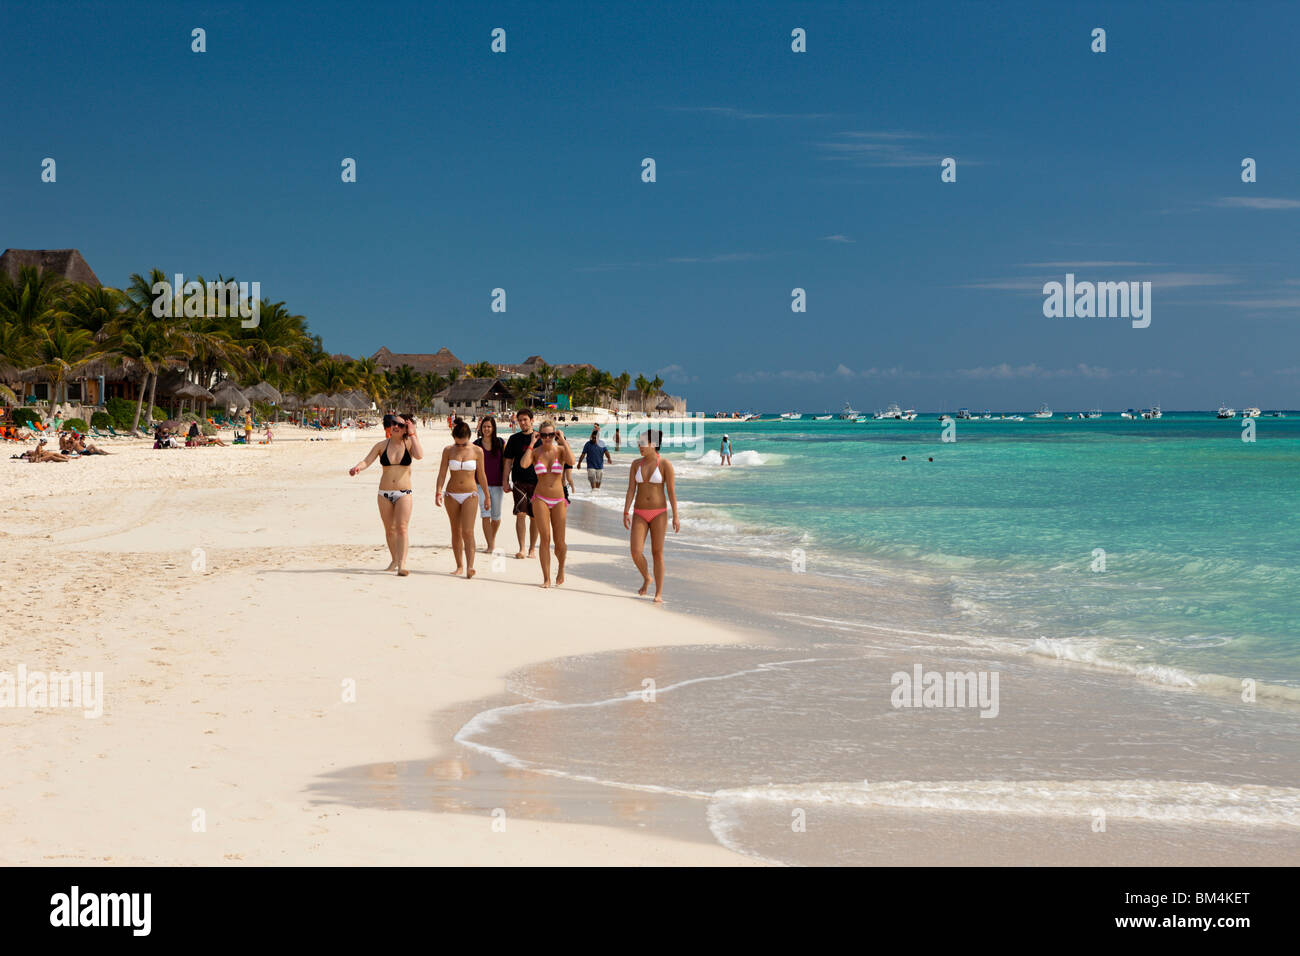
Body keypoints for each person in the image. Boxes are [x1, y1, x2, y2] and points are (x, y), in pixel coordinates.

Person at [348, 413, 423, 576]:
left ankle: (402, 564)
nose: (396, 426)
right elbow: (367, 460)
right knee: (390, 530)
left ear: (406, 428)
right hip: (384, 493)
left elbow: (419, 455)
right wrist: (357, 467)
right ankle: (394, 559)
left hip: (404, 492)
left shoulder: (409, 443)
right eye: (394, 423)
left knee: (402, 528)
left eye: (400, 425)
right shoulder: (381, 445)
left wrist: (413, 433)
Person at [623, 432, 680, 602]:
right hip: (639, 512)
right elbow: (631, 489)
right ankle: (647, 577)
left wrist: (676, 516)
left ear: (653, 444)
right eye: (638, 443)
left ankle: (658, 593)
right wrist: (626, 511)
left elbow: (671, 492)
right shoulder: (635, 465)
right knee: (635, 551)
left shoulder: (665, 464)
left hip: (659, 513)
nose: (640, 446)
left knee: (657, 553)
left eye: (643, 443)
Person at [519, 421, 575, 588]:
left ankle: (561, 569)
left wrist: (563, 440)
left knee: (560, 542)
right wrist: (531, 443)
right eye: (544, 435)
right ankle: (546, 578)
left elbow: (572, 461)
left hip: (559, 499)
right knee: (545, 539)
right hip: (541, 498)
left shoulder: (562, 450)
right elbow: (523, 464)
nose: (547, 438)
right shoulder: (536, 452)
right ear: (540, 435)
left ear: (555, 435)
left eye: (551, 435)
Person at [436, 420, 492, 578]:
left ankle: (470, 566)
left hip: (470, 494)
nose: (461, 447)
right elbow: (442, 473)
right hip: (451, 494)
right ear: (453, 437)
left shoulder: (477, 451)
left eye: (464, 443)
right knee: (456, 530)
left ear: (469, 437)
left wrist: (487, 496)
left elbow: (481, 475)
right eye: (458, 444)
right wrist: (438, 491)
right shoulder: (448, 450)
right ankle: (459, 566)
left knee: (468, 531)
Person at [502, 408, 540, 559]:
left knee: (535, 516)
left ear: (532, 420)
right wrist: (505, 481)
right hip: (519, 481)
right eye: (520, 420)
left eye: (525, 419)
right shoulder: (514, 439)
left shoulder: (540, 437)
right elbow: (508, 462)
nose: (523, 422)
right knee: (520, 514)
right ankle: (522, 548)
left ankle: (532, 549)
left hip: (538, 482)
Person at [474, 415, 506, 554]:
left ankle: (491, 539)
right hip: (480, 485)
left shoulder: (500, 443)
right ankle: (490, 545)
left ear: (493, 428)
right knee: (485, 514)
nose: (486, 429)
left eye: (489, 427)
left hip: (498, 484)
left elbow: (506, 464)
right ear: (480, 428)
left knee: (496, 517)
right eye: (484, 427)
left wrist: (506, 480)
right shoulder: (476, 444)